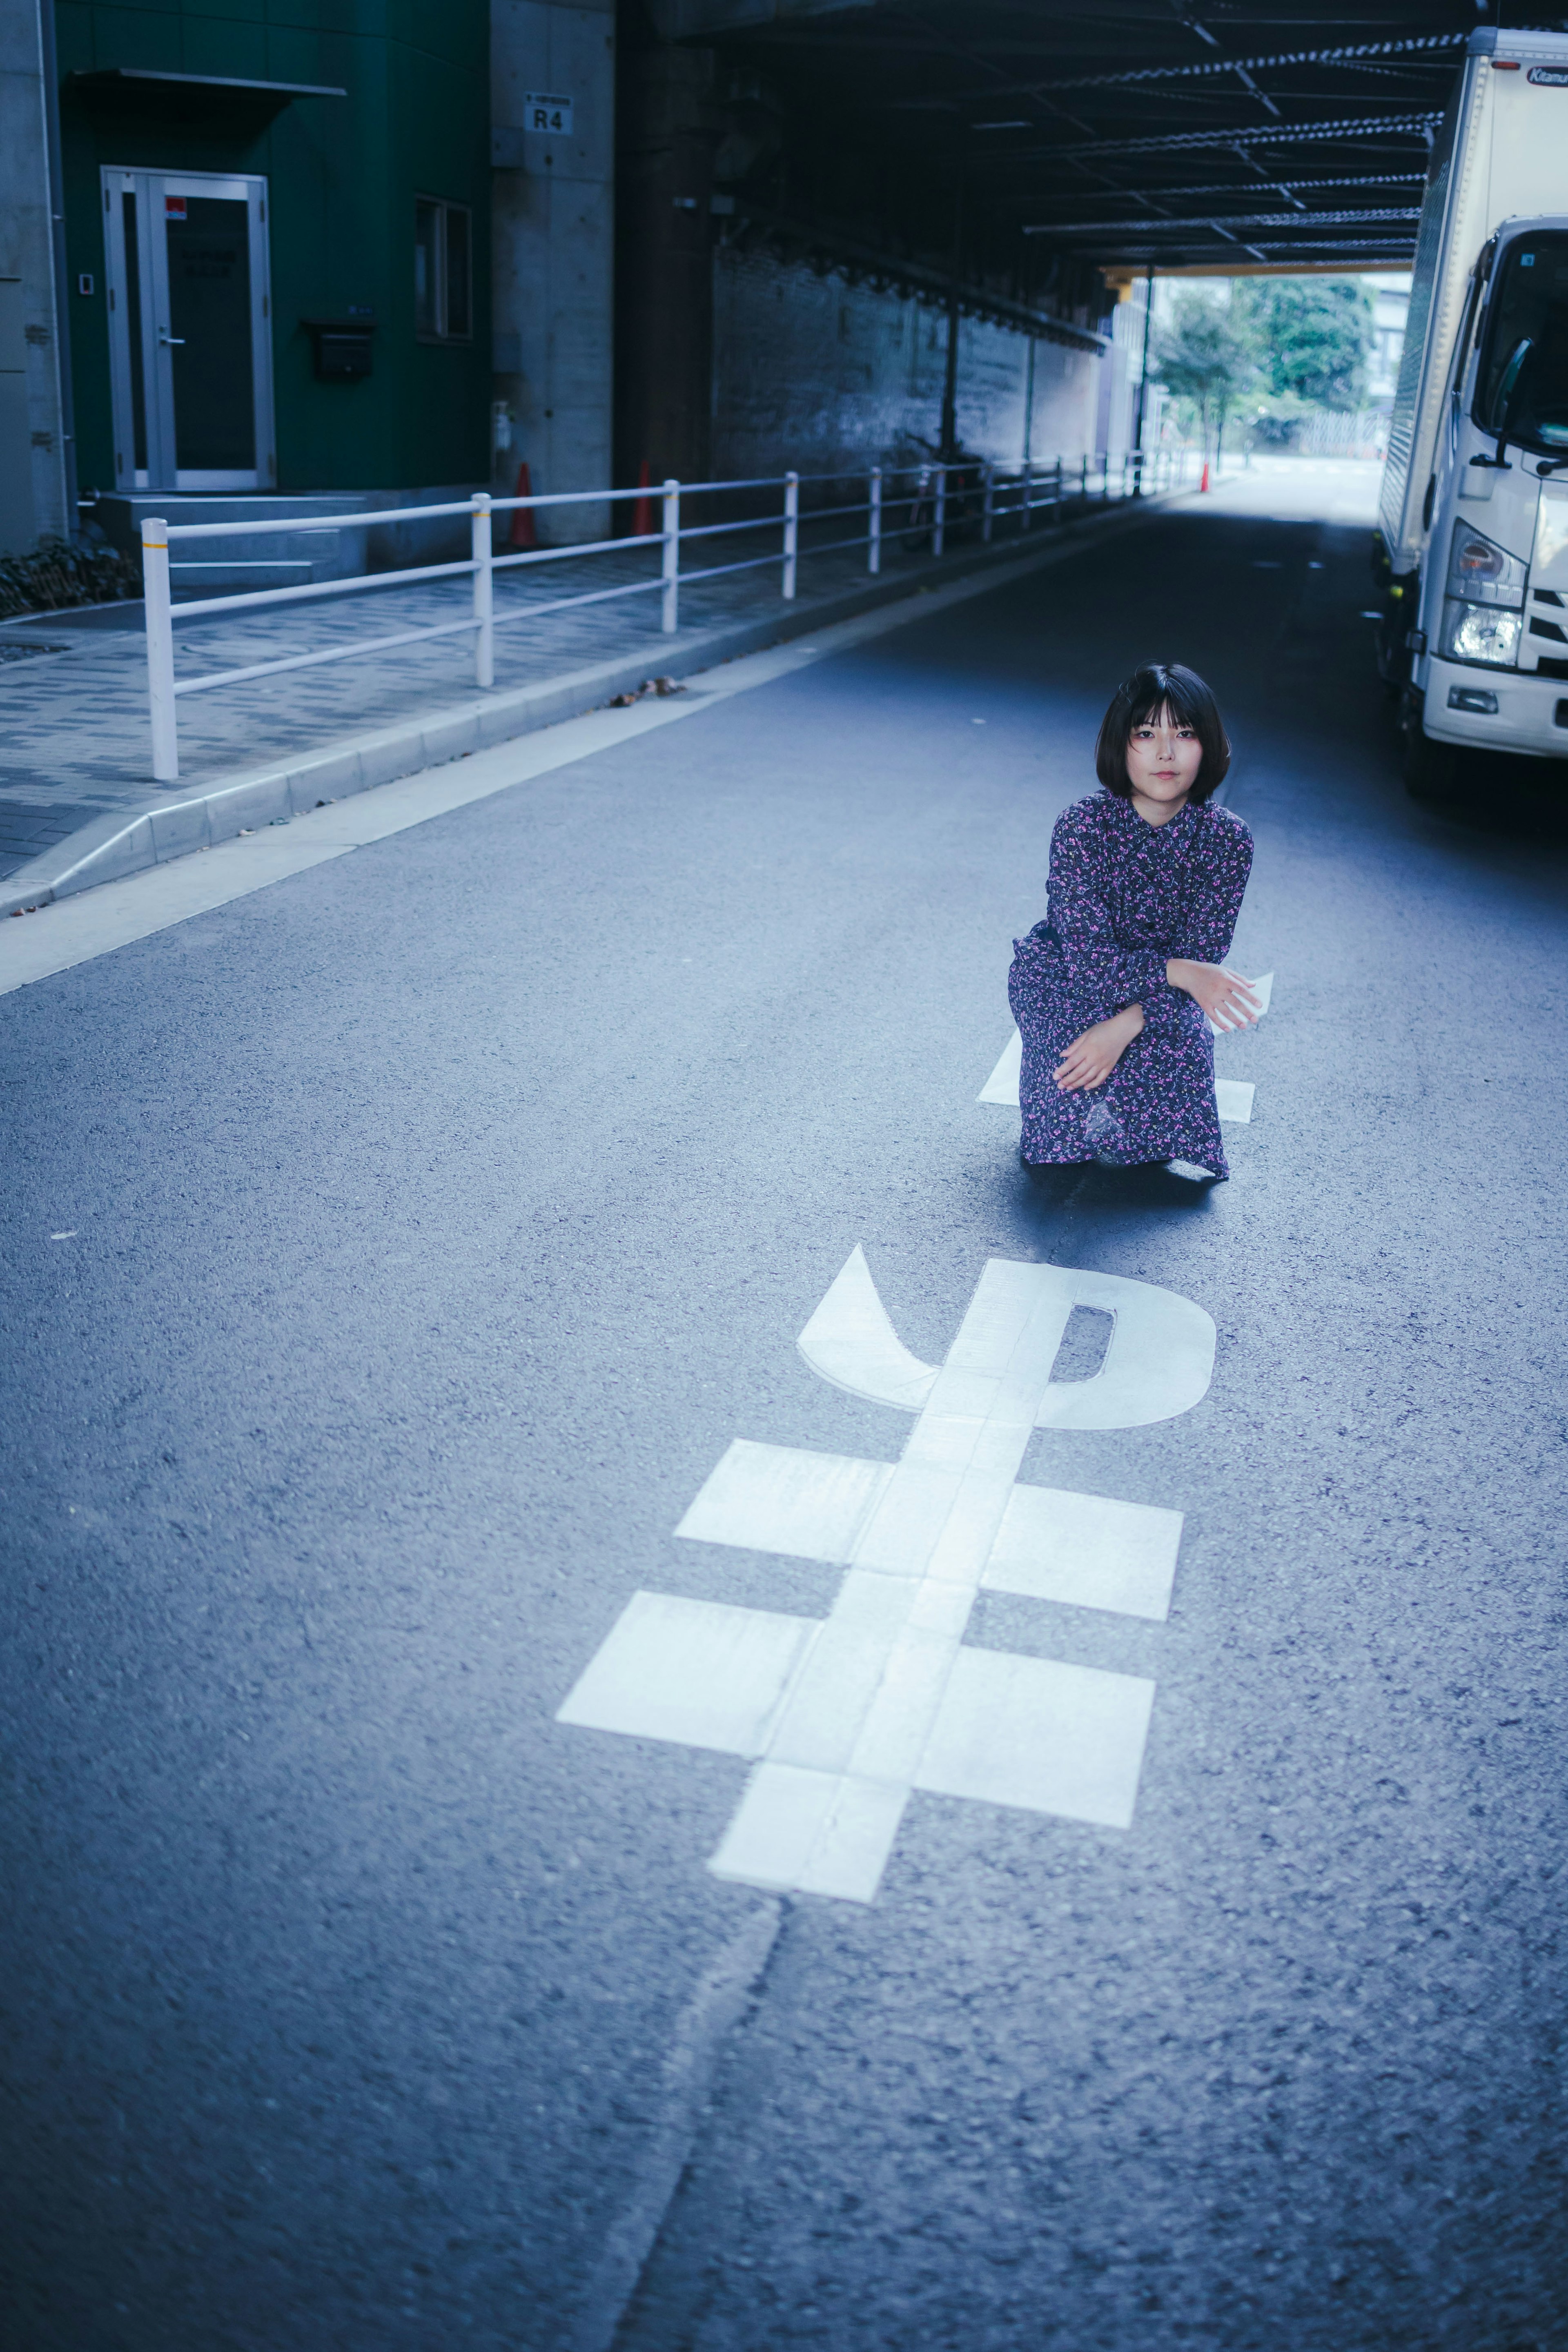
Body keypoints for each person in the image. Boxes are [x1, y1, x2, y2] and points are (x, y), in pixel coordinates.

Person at [1008, 661, 1258, 1184]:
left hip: (1158, 1002)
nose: (1166, 753)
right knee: (1057, 1143)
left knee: (1152, 1141)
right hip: (1066, 979)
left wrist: (1126, 1025)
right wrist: (1181, 973)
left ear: (1208, 745)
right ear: (1121, 745)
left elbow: (1202, 960)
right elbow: (1091, 962)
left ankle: (1140, 1108)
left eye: (1185, 733)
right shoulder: (1082, 825)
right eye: (1146, 733)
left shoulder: (1227, 840)